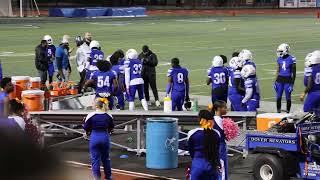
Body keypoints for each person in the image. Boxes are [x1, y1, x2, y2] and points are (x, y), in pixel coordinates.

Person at [83, 98, 114, 180]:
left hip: (95, 137)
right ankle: (109, 177)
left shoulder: (91, 115)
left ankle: (97, 178)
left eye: (93, 103)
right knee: (106, 158)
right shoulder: (108, 115)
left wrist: (87, 132)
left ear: (96, 105)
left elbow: (85, 127)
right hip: (105, 137)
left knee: (95, 160)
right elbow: (111, 128)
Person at [188, 109, 220, 180]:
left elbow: (191, 150)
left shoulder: (192, 133)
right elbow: (217, 150)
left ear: (200, 119)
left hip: (197, 164)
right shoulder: (217, 133)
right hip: (212, 165)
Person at [274, 43, 296, 113]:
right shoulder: (279, 59)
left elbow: (294, 73)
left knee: (288, 98)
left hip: (288, 80)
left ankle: (288, 112)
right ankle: (278, 111)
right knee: (278, 96)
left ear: (286, 50)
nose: (279, 53)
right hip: (279, 80)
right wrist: (275, 81)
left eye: (281, 51)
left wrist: (292, 84)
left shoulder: (292, 59)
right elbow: (277, 71)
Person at [212, 100, 228, 180]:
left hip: (221, 146)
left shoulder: (221, 120)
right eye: (224, 107)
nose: (226, 109)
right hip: (219, 147)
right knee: (221, 168)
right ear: (218, 109)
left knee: (223, 167)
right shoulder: (215, 121)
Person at [301, 51, 320, 115]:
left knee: (306, 112)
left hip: (313, 94)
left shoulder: (310, 69)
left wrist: (304, 93)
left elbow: (309, 85)